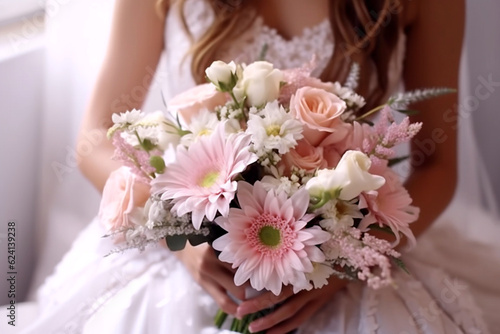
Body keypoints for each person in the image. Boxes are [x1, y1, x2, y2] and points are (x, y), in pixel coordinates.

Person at [22, 0, 500, 333]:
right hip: (189, 240)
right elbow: (94, 141)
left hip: (342, 253)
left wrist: (344, 265)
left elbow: (436, 165)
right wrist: (181, 239)